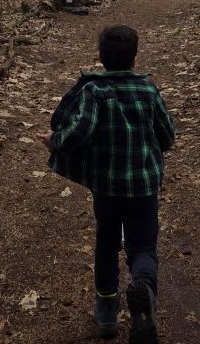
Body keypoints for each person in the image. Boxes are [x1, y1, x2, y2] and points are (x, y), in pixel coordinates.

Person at [36, 24, 175, 343]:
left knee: (107, 244)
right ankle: (144, 292)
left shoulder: (93, 91)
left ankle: (107, 312)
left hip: (107, 187)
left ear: (99, 58)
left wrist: (54, 140)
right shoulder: (149, 90)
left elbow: (80, 132)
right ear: (135, 58)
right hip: (143, 187)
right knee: (142, 247)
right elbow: (167, 136)